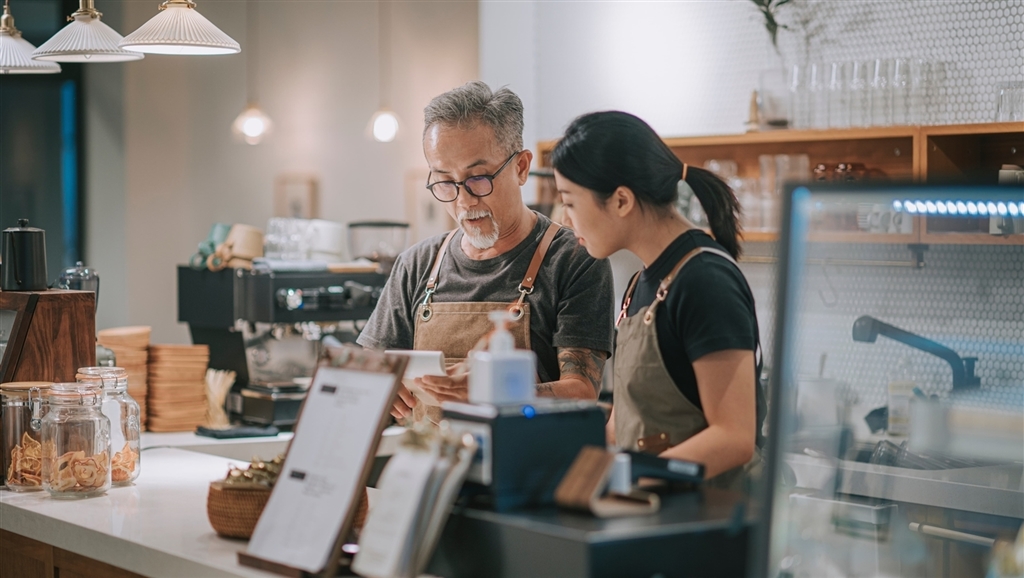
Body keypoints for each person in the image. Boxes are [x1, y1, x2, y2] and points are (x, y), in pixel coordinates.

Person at [357, 82, 614, 424]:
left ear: (521, 167)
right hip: (427, 467)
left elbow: (581, 391)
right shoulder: (417, 264)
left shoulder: (573, 259)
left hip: (528, 469)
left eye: (478, 178)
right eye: (445, 182)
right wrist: (378, 383)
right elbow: (364, 370)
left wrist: (499, 391)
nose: (463, 201)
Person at [550, 111, 765, 487]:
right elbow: (622, 428)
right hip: (657, 517)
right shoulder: (640, 284)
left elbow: (734, 438)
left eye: (570, 202)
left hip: (713, 521)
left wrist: (627, 477)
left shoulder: (705, 281)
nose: (566, 220)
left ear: (620, 201)